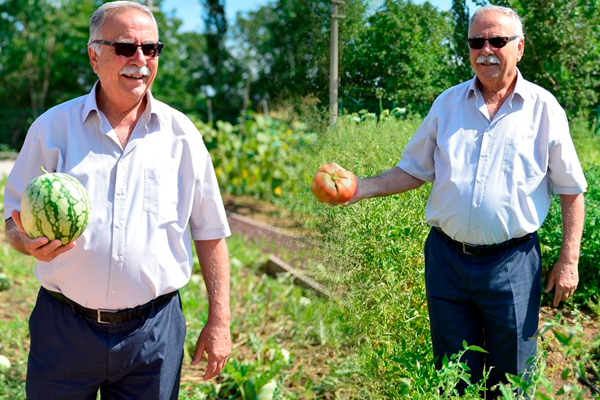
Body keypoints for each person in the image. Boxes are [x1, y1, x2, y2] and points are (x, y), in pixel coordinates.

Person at [346, 5, 586, 398]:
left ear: (519, 47)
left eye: (497, 40)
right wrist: (358, 188)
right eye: (477, 41)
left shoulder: (544, 109)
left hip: (513, 264)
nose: (486, 50)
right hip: (447, 262)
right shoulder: (448, 104)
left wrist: (569, 261)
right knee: (452, 373)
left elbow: (571, 189)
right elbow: (413, 169)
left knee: (511, 377)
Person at [3, 2, 232, 399]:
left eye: (151, 49)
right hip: (64, 329)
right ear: (95, 56)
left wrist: (220, 320)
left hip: (153, 335)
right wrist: (24, 243)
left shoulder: (182, 136)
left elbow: (210, 231)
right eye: (126, 48)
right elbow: (13, 217)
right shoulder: (52, 128)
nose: (140, 60)